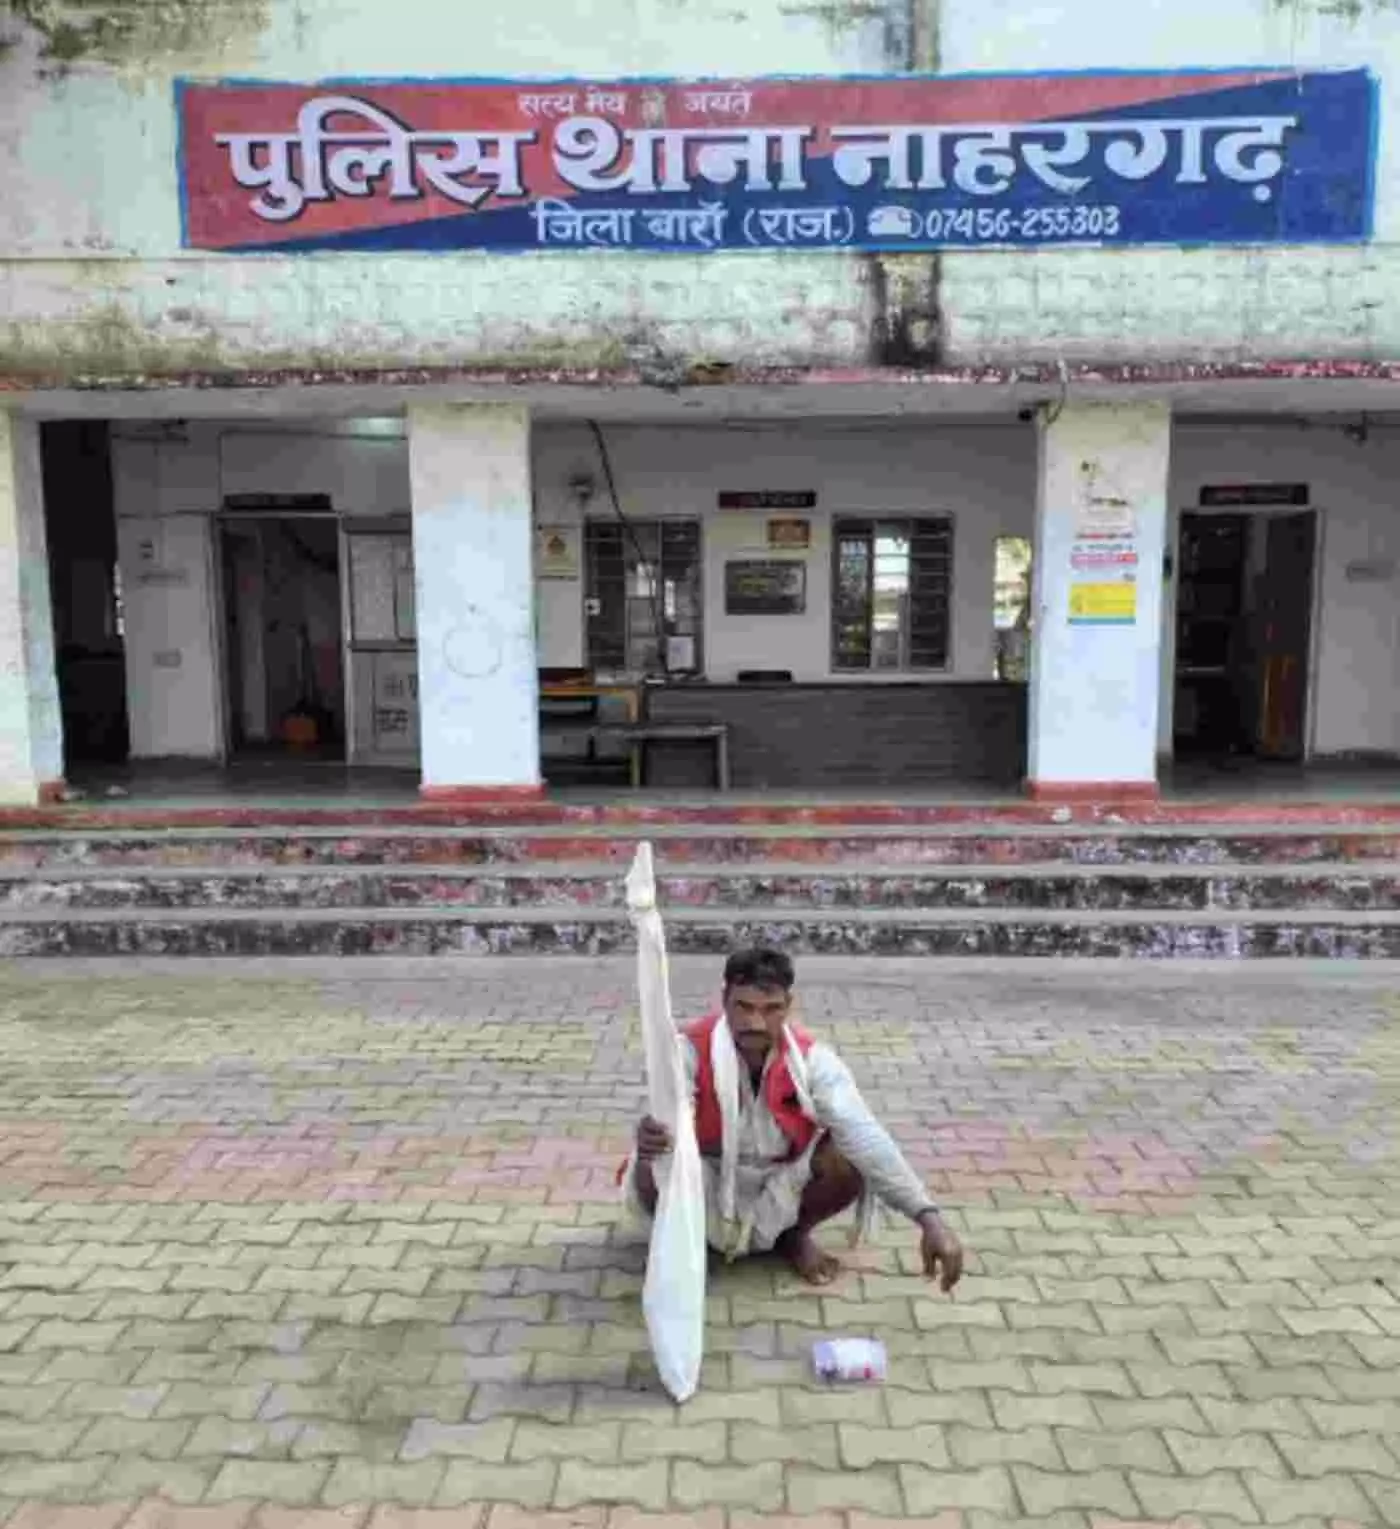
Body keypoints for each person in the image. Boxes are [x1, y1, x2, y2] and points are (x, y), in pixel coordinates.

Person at [626, 946, 964, 1289]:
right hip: (706, 1177)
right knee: (652, 1159)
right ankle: (689, 1242)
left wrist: (929, 1219)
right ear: (724, 1000)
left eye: (770, 1009)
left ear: (788, 1005)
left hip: (780, 1178)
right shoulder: (686, 1051)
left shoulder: (813, 1060)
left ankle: (792, 1235)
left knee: (847, 1157)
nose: (755, 1023)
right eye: (743, 1007)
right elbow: (665, 1121)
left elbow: (864, 1134)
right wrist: (652, 1135)